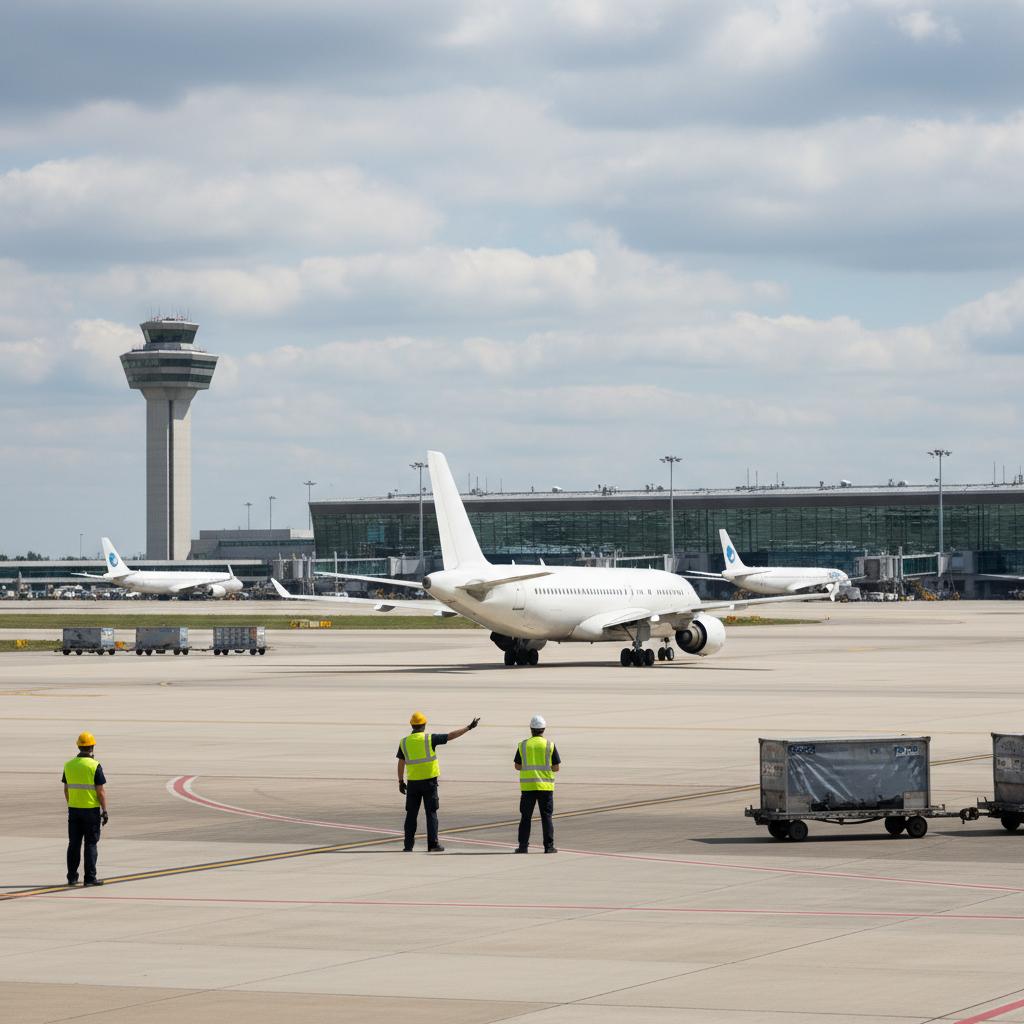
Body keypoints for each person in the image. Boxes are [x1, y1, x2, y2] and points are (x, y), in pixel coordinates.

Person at [397, 711, 479, 852]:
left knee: (411, 814)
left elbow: (401, 762)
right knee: (431, 813)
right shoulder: (430, 739)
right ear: (424, 725)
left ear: (412, 725)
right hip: (429, 783)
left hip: (413, 783)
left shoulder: (404, 742)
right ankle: (433, 844)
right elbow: (450, 736)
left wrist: (400, 781)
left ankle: (408, 845)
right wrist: (468, 727)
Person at [62, 731, 108, 886]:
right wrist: (105, 810)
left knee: (73, 844)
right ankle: (89, 878)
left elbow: (66, 789)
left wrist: (72, 803)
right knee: (90, 844)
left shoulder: (68, 765)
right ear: (92, 747)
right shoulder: (95, 765)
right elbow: (100, 792)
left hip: (74, 810)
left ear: (78, 746)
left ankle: (72, 877)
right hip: (91, 810)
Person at [514, 714, 560, 853]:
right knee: (546, 817)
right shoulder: (549, 745)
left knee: (525, 818)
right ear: (543, 729)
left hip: (528, 788)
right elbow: (556, 767)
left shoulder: (523, 745)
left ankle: (523, 847)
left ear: (531, 729)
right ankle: (548, 847)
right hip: (545, 787)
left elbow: (517, 765)